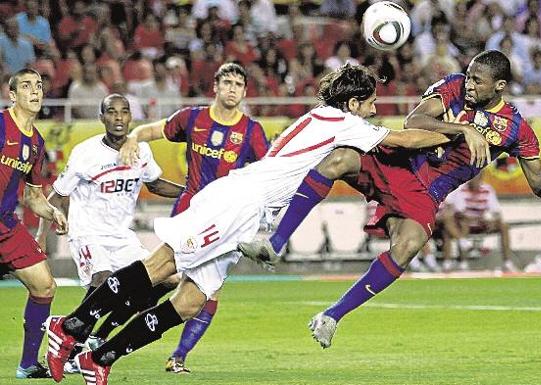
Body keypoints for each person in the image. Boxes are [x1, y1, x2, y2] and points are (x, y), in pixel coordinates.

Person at [43, 63, 451, 385]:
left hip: (247, 212)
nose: (375, 109)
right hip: (237, 202)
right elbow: (405, 139)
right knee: (161, 266)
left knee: (190, 301)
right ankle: (71, 325)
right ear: (355, 102)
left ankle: (100, 357)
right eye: (371, 102)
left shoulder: (330, 119)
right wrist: (461, 132)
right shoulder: (342, 122)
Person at [238, 50, 541, 349]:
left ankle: (332, 316)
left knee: (409, 244)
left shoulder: (515, 129)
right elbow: (415, 120)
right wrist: (462, 128)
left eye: (478, 80)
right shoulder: (452, 87)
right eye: (469, 75)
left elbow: (540, 184)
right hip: (397, 164)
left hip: (428, 193)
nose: (470, 84)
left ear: (500, 85)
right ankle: (274, 242)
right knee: (340, 158)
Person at [120, 62, 270, 374]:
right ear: (215, 86)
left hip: (225, 223)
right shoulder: (193, 118)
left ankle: (178, 357)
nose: (232, 89)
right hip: (190, 214)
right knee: (164, 277)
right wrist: (134, 136)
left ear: (244, 92)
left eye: (238, 85)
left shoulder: (252, 132)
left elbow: (269, 173)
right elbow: (153, 130)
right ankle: (103, 328)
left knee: (206, 292)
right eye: (227, 82)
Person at [36, 94, 185, 373]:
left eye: (124, 112)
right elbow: (56, 194)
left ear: (131, 117)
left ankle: (97, 337)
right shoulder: (85, 152)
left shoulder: (142, 150)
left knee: (169, 278)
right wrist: (42, 234)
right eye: (112, 112)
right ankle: (70, 343)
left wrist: (191, 192)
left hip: (121, 235)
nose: (118, 118)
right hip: (88, 233)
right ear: (102, 118)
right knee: (102, 278)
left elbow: (154, 185)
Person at [0, 68, 68, 378]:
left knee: (44, 285)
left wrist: (53, 212)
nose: (35, 90)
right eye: (26, 85)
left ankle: (27, 364)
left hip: (5, 225)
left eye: (39, 85)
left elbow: (32, 197)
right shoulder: (1, 124)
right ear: (12, 95)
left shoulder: (36, 143)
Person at [438, 172, 516, 272]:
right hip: (464, 223)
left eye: (476, 178)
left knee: (504, 226)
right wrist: (476, 219)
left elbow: (496, 212)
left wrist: (491, 221)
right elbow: (461, 214)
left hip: (481, 223)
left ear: (481, 178)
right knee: (462, 224)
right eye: (472, 178)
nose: (473, 180)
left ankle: (507, 263)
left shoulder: (487, 190)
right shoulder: (461, 190)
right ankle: (463, 262)